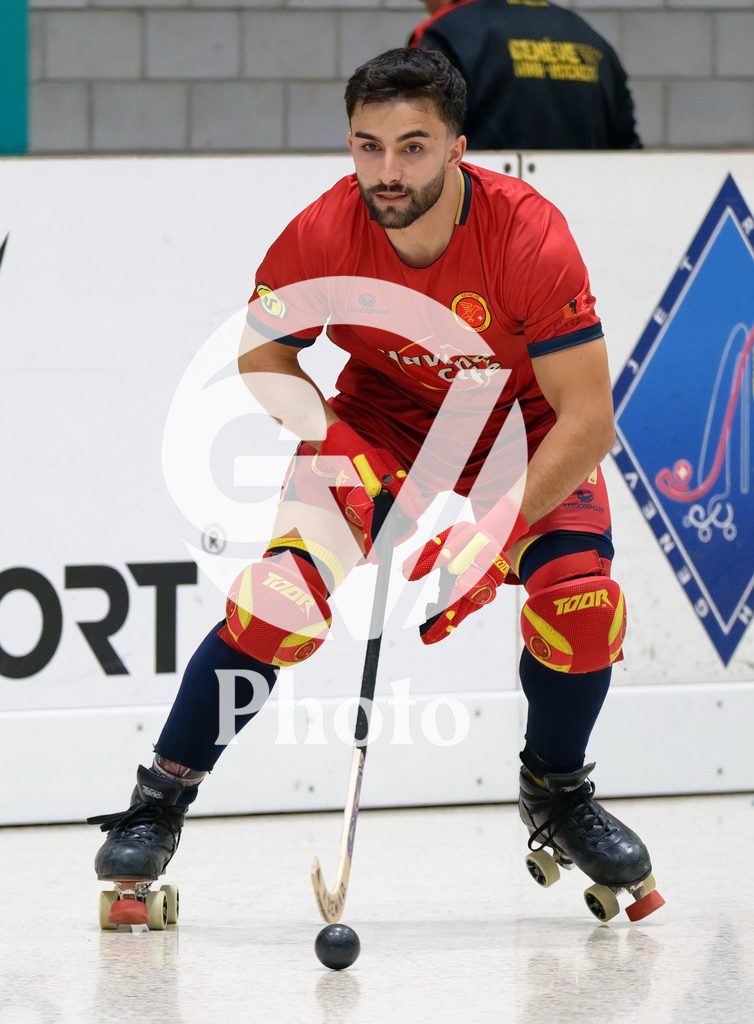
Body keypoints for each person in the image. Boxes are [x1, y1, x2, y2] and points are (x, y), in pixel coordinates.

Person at [89, 47, 662, 926]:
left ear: (457, 147)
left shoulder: (528, 235)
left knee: (580, 604)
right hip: (383, 417)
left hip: (522, 426)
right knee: (276, 602)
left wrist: (488, 532)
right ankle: (157, 801)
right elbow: (262, 355)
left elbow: (587, 420)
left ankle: (556, 790)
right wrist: (332, 446)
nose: (385, 173)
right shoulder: (323, 231)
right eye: (366, 147)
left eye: (412, 147)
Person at [410, 0, 642, 150]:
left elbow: (414, 141)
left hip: (489, 214)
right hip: (587, 216)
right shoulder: (587, 35)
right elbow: (628, 153)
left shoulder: (445, 34)